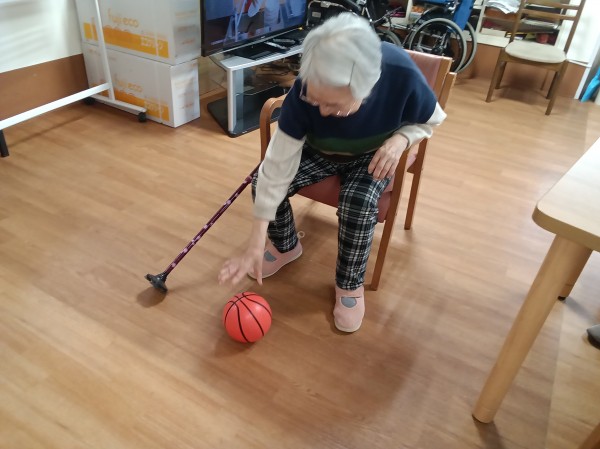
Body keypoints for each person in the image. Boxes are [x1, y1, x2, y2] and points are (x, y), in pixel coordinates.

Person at [218, 13, 447, 333]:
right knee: (262, 182)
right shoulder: (305, 89)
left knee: (358, 203)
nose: (323, 112)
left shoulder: (399, 72)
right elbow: (277, 165)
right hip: (319, 151)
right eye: (316, 101)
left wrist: (401, 140)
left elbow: (431, 118)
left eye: (335, 106)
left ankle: (349, 284)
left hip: (372, 154)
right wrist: (256, 241)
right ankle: (285, 246)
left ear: (367, 88)